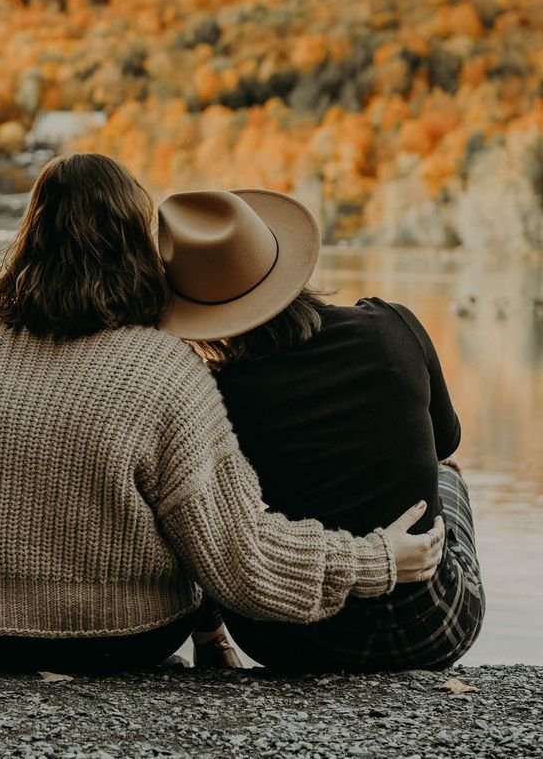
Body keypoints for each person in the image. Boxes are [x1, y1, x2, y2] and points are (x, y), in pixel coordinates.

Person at [0, 153, 443, 675]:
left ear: (28, 235)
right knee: (190, 517)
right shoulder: (163, 366)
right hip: (112, 639)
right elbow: (241, 558)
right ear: (137, 245)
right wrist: (377, 559)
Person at [157, 187, 485, 673]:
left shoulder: (213, 396)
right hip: (433, 628)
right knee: (447, 474)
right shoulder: (392, 326)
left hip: (286, 640)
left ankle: (211, 637)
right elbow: (446, 442)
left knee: (201, 502)